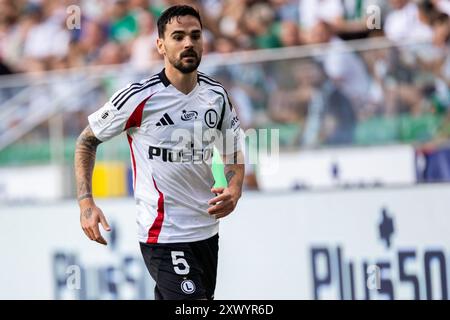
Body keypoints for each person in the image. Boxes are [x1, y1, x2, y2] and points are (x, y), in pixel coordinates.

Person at [74, 5, 245, 300]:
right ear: (161, 45)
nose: (188, 43)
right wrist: (86, 203)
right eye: (178, 37)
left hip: (206, 231)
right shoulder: (140, 97)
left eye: (195, 35)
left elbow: (233, 151)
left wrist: (235, 187)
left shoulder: (216, 96)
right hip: (163, 234)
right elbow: (86, 141)